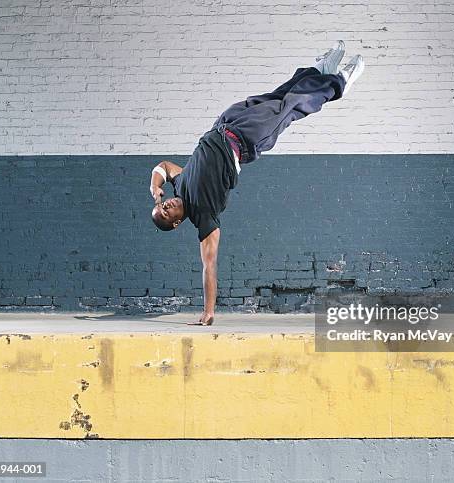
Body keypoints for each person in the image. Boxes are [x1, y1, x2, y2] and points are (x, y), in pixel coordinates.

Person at [150, 41, 365, 325]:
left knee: (277, 95)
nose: (167, 205)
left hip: (226, 123)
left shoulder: (180, 184)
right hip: (246, 139)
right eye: (167, 213)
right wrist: (209, 310)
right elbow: (209, 265)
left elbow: (163, 167)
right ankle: (337, 85)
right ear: (177, 222)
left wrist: (153, 185)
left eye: (162, 205)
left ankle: (318, 70)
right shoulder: (204, 216)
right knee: (290, 106)